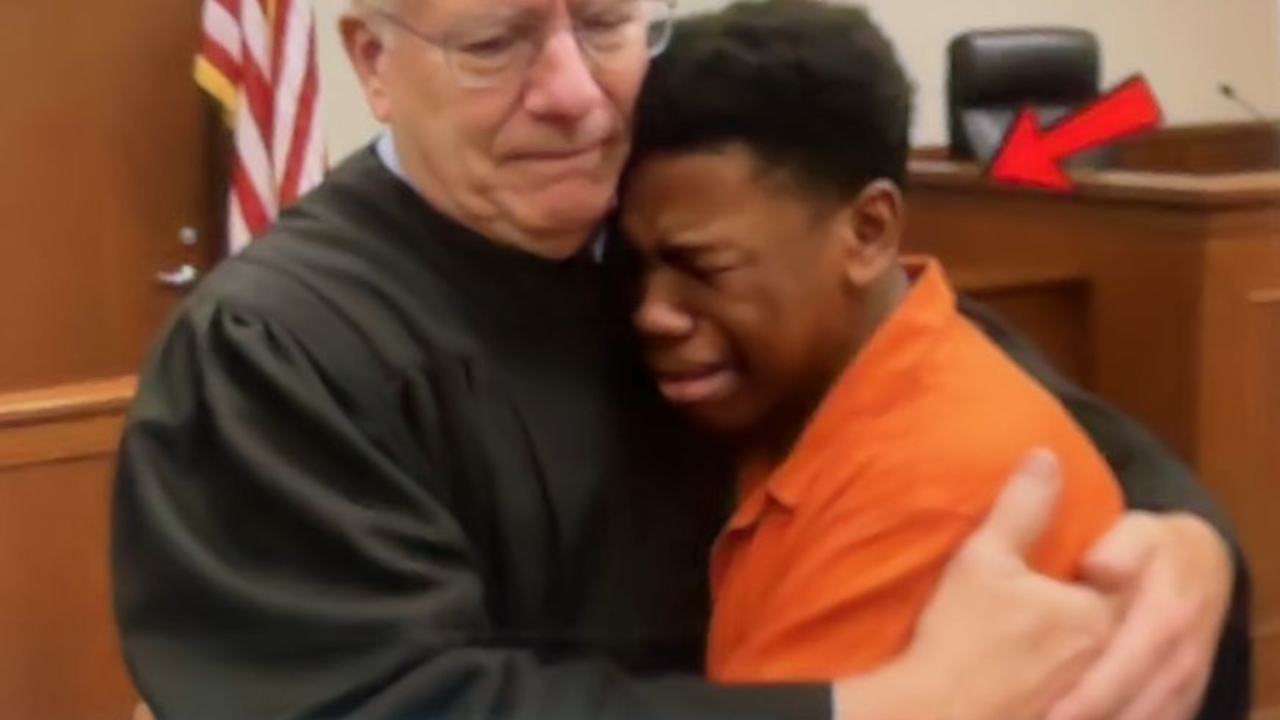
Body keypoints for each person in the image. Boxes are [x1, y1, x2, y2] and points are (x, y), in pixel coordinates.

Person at [111, 1, 1249, 719]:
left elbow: (930, 369)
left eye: (606, 23)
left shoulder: (654, 217)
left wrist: (1183, 536)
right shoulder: (280, 352)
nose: (572, 97)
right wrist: (876, 709)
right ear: (371, 57)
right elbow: (383, 701)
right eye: (495, 44)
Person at [621, 0, 1126, 683]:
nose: (651, 314)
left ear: (867, 232)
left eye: (703, 267)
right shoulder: (800, 400)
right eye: (637, 266)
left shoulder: (930, 488)